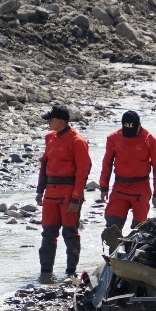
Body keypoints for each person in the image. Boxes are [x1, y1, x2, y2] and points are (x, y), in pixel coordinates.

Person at [37, 105, 92, 280]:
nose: (47, 122)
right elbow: (44, 165)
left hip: (69, 192)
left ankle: (70, 273)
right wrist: (40, 190)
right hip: (51, 192)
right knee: (47, 233)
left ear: (61, 121)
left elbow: (83, 171)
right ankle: (46, 272)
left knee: (70, 233)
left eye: (50, 119)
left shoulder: (77, 141)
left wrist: (76, 198)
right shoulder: (49, 138)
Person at [98, 109, 156, 247]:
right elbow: (107, 164)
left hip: (141, 187)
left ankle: (134, 258)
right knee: (112, 227)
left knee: (139, 229)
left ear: (140, 124)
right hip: (120, 187)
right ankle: (113, 261)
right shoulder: (113, 138)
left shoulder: (150, 140)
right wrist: (103, 187)